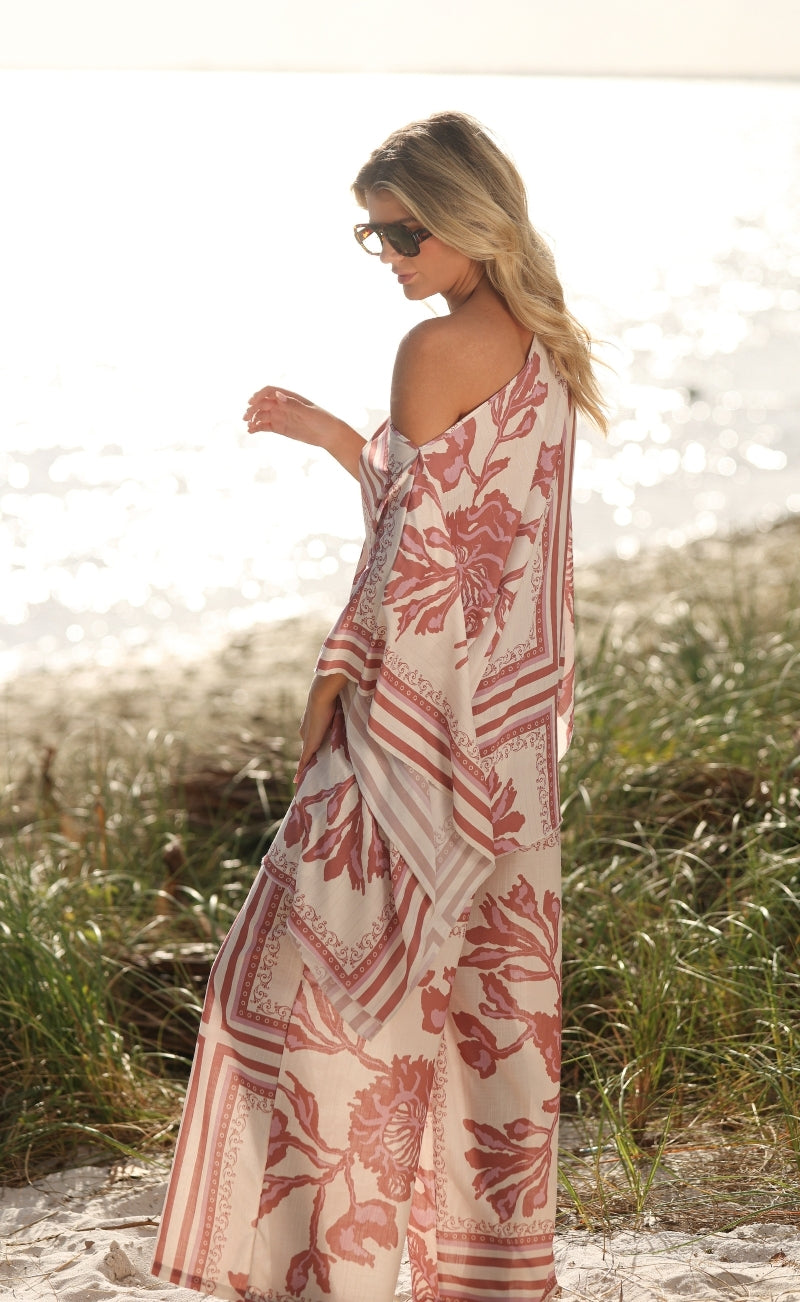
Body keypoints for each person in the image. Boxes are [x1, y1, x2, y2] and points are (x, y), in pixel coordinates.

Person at [151, 110, 606, 1302]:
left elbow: (409, 553)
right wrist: (332, 439)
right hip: (504, 749)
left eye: (405, 233)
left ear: (468, 220)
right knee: (481, 1024)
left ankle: (324, 1275)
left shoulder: (431, 345)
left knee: (284, 993)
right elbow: (471, 529)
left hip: (408, 737)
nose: (389, 257)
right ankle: (481, 1275)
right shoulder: (546, 348)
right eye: (373, 235)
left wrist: (333, 679)